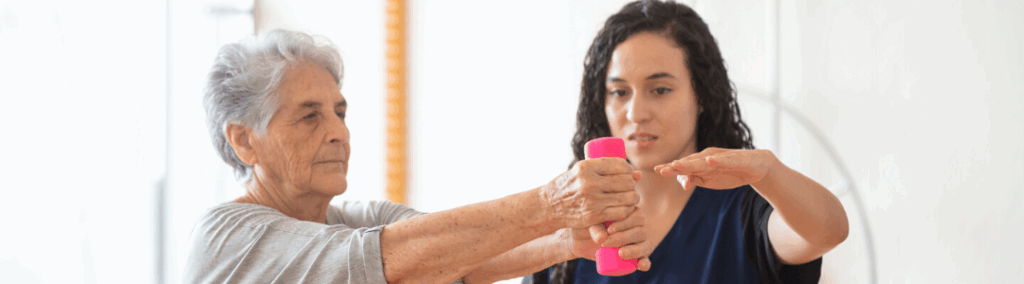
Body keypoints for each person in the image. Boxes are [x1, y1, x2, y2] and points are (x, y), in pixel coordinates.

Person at [183, 29, 655, 284]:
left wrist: (567, 242)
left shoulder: (357, 218)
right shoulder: (226, 236)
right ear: (245, 141)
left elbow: (461, 259)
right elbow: (390, 259)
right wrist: (554, 204)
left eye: (340, 112)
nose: (338, 133)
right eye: (310, 117)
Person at [525, 1, 850, 283]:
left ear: (702, 96)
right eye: (619, 92)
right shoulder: (570, 232)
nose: (635, 113)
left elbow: (828, 230)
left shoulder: (745, 213)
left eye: (660, 89)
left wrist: (768, 170)